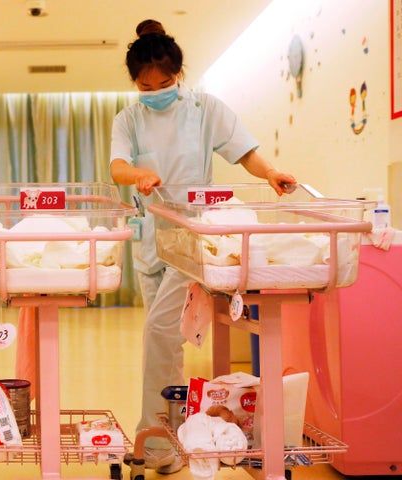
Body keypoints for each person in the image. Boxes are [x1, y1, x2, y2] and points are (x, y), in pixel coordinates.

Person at [109, 19, 296, 474]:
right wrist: (140, 176)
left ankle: (154, 442)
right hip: (151, 241)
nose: (155, 90)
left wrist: (269, 172)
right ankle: (171, 441)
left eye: (165, 82)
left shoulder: (204, 109)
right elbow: (117, 166)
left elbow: (244, 149)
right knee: (166, 343)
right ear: (135, 81)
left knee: (158, 334)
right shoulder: (129, 118)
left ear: (179, 74)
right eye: (145, 85)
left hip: (193, 239)